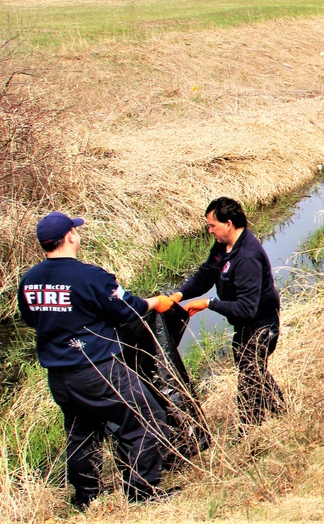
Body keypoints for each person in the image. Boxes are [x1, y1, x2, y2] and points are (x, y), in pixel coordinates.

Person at [17, 212, 175, 509]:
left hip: (60, 377)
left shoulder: (29, 280)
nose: (78, 235)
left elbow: (31, 319)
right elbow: (131, 308)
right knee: (147, 418)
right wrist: (157, 302)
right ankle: (142, 492)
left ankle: (86, 497)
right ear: (70, 237)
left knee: (82, 431)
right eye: (76, 231)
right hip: (98, 370)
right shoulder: (91, 277)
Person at [169, 197, 285, 428]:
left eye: (212, 225)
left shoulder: (247, 257)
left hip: (261, 325)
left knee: (249, 380)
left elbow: (246, 308)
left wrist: (208, 303)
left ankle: (251, 432)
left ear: (228, 223)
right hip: (244, 326)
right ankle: (282, 413)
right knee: (254, 372)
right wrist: (179, 296)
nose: (209, 230)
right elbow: (206, 274)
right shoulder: (224, 245)